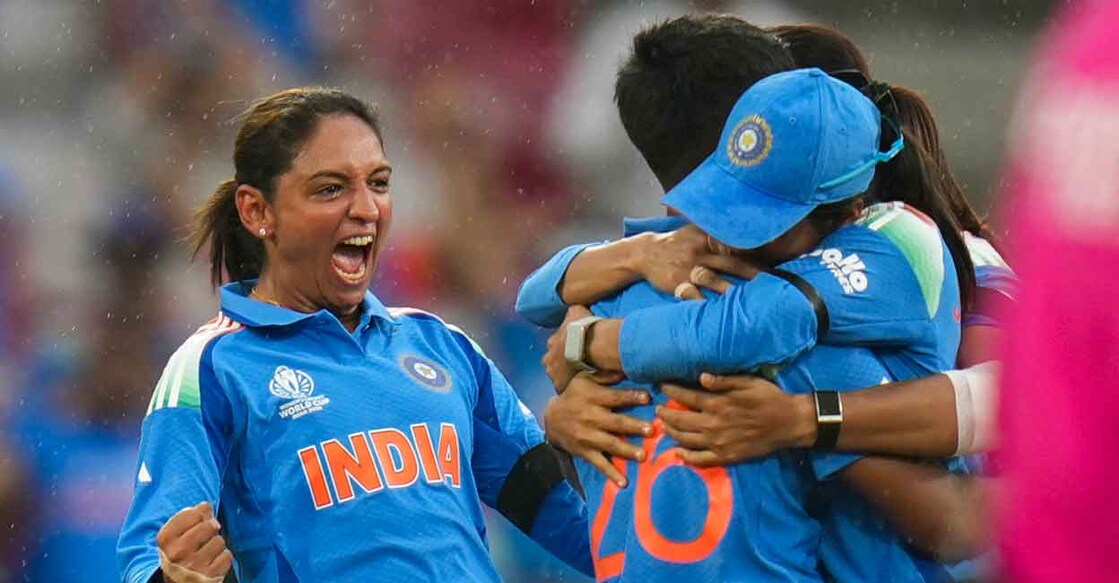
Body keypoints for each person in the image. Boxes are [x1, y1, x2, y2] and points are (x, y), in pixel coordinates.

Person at [523, 15, 984, 581]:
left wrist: (587, 343)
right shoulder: (810, 355)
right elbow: (954, 524)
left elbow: (542, 296)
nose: (726, 231)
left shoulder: (628, 297)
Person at [116, 88, 592, 582]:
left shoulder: (444, 346)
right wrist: (172, 577)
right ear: (258, 211)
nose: (367, 208)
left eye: (379, 183)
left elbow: (577, 525)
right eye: (330, 189)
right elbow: (149, 557)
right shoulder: (210, 368)